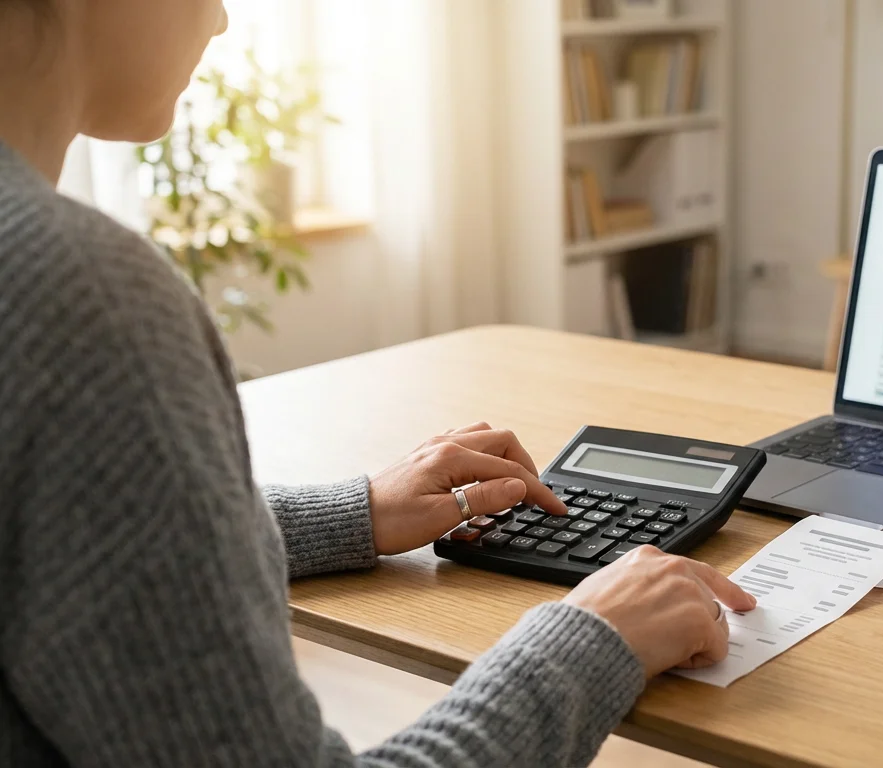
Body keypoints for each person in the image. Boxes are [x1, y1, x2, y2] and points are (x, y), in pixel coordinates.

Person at [0, 1, 756, 766]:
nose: (221, 18)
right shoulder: (77, 296)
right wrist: (594, 637)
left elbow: (65, 540)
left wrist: (354, 513)